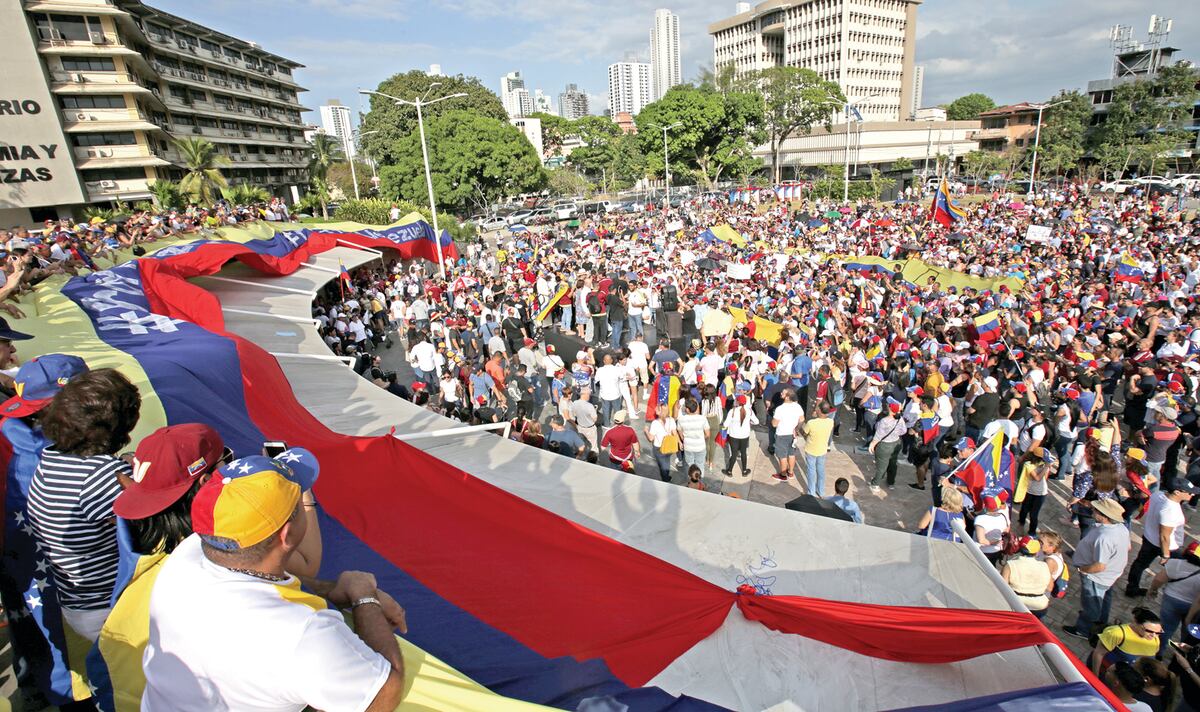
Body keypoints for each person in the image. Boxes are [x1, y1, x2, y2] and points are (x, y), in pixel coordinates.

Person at [141, 454, 407, 711]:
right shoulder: (303, 633)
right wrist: (364, 596)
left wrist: (332, 590)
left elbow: (265, 582)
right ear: (288, 535)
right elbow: (383, 693)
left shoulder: (188, 552)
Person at [97, 425, 323, 709]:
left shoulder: (140, 535)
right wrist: (295, 488)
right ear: (205, 481)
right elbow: (307, 563)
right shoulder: (222, 546)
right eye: (226, 459)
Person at [27, 368, 141, 643]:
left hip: (77, 601)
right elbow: (150, 527)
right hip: (109, 606)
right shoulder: (101, 475)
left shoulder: (51, 458)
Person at [1064, 497, 1132, 640]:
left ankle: (1084, 629)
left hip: (1096, 576)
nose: (1093, 510)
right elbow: (1128, 547)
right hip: (1110, 575)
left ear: (1104, 516)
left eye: (1096, 509)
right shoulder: (1121, 528)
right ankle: (1101, 623)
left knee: (1091, 604)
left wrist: (1083, 569)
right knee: (1104, 599)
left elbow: (1100, 565)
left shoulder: (1105, 537)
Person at [1127, 480, 1198, 597]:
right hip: (1166, 547)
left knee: (1139, 564)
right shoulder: (1170, 510)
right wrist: (1166, 555)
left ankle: (1131, 588)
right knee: (1179, 570)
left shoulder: (1158, 495)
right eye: (1189, 493)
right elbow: (1164, 535)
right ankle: (1175, 594)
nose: (1193, 495)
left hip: (1149, 538)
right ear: (1177, 492)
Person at [1148, 541, 1200, 655]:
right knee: (1188, 632)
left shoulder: (1175, 563)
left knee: (1166, 628)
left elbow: (1158, 579)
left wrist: (1153, 590)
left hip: (1171, 600)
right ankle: (1182, 654)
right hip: (1193, 607)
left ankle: (1159, 652)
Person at [1089, 607, 1164, 677]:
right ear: (1135, 622)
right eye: (1149, 631)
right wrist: (1095, 676)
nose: (1154, 635)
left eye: (1158, 632)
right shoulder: (1117, 633)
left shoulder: (1155, 639)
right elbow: (1098, 654)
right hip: (1108, 674)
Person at [1001, 536, 1052, 618]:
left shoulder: (1011, 565)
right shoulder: (1044, 566)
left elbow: (1003, 586)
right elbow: (1049, 588)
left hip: (1016, 604)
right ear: (1037, 552)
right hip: (1039, 607)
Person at [867, 401, 906, 492]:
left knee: (882, 466)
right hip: (896, 443)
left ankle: (875, 484)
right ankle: (891, 483)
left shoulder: (884, 421)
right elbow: (904, 431)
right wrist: (895, 434)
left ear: (890, 408)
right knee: (892, 464)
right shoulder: (900, 419)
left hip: (884, 445)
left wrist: (872, 444)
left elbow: (878, 435)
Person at [1016, 450, 1054, 536]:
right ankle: (1021, 522)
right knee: (1024, 510)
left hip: (1041, 493)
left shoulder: (1043, 463)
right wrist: (1046, 467)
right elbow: (1037, 478)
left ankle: (1032, 532)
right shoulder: (1028, 464)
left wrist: (1048, 466)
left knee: (1034, 513)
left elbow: (1045, 477)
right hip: (1029, 491)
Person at [801, 402, 835, 495]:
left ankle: (811, 492)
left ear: (819, 410)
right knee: (821, 470)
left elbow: (804, 433)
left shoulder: (811, 423)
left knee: (811, 471)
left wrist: (812, 417)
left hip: (811, 450)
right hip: (822, 450)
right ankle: (821, 491)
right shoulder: (830, 421)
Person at [771, 389, 805, 483]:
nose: (780, 393)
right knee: (791, 454)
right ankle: (790, 473)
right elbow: (802, 419)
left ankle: (783, 475)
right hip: (792, 434)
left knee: (782, 456)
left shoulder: (780, 409)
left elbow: (774, 424)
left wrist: (772, 420)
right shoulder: (797, 406)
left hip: (781, 434)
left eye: (783, 393)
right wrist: (796, 429)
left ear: (787, 397)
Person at [721, 394, 758, 477]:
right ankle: (744, 471)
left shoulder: (732, 411)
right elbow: (757, 422)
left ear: (737, 401)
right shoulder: (749, 411)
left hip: (733, 435)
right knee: (743, 452)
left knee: (734, 454)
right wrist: (749, 422)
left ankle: (729, 471)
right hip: (745, 435)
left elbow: (726, 424)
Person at [973, 493, 1011, 566]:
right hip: (996, 551)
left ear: (984, 505)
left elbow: (981, 540)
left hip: (982, 551)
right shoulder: (1003, 516)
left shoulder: (980, 519)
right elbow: (1006, 531)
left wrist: (994, 543)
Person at [677, 398, 710, 478]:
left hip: (688, 446)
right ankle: (699, 481)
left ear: (688, 410)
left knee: (689, 465)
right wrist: (701, 438)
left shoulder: (681, 419)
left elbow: (680, 433)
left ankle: (690, 481)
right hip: (700, 446)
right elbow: (708, 434)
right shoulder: (702, 418)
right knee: (700, 464)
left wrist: (685, 440)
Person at [645, 412, 680, 482]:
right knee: (667, 461)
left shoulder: (655, 423)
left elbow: (651, 439)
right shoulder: (672, 420)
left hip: (659, 447)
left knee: (662, 465)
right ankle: (667, 475)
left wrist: (646, 431)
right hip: (669, 445)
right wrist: (679, 443)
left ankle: (665, 479)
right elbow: (674, 433)